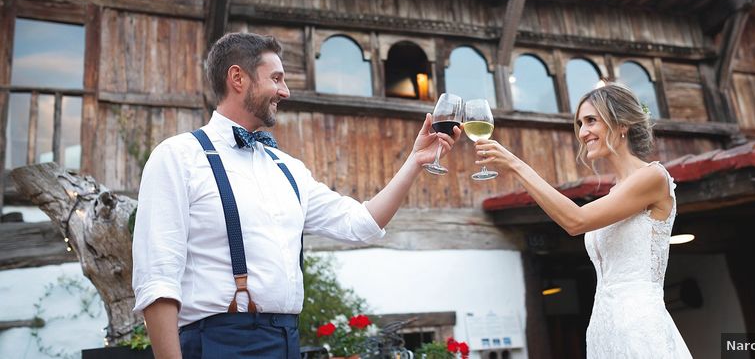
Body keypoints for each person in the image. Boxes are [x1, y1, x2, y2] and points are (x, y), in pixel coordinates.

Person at [132, 32, 458, 359]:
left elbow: (361, 223)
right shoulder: (178, 156)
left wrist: (415, 162)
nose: (285, 91)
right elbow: (157, 280)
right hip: (219, 342)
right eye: (276, 78)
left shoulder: (287, 168)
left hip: (288, 340)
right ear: (237, 78)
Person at [474, 82, 692, 358]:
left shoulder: (652, 177)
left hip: (640, 325)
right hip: (604, 325)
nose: (583, 132)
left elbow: (575, 221)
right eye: (580, 123)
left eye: (591, 121)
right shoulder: (616, 192)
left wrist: (517, 166)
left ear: (621, 124)